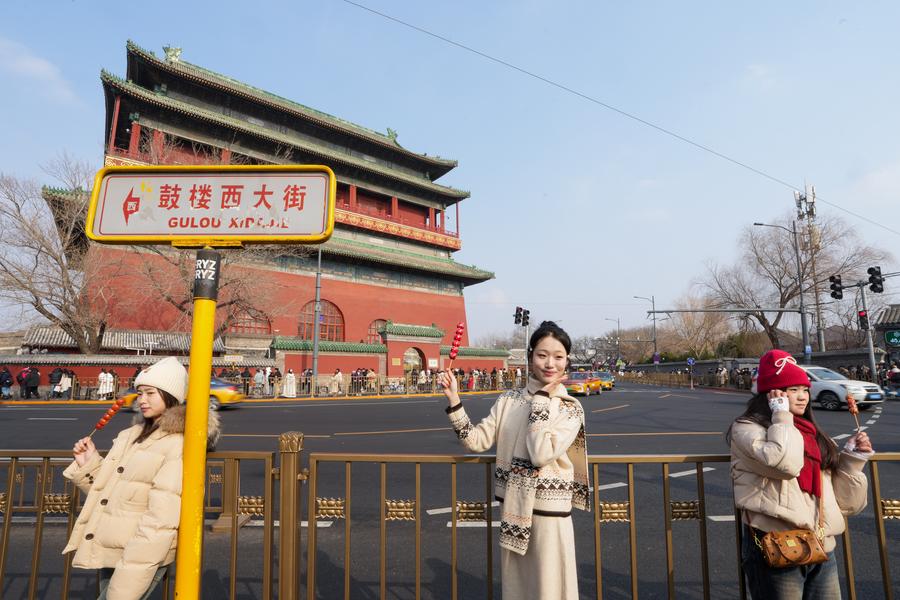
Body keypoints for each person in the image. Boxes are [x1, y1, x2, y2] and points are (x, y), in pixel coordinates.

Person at [437, 321, 589, 599]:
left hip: (550, 516)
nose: (550, 363)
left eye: (558, 356)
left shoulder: (570, 408)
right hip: (514, 511)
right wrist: (454, 399)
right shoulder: (508, 400)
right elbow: (476, 441)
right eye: (542, 355)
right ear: (531, 357)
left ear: (567, 361)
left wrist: (542, 399)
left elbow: (541, 453)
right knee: (518, 589)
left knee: (551, 589)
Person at [62, 356, 221, 599]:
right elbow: (116, 495)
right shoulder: (131, 435)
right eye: (139, 393)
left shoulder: (178, 443)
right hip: (113, 543)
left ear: (171, 396)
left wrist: (134, 564)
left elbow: (160, 519)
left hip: (141, 550)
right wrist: (89, 464)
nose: (142, 400)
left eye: (150, 393)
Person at [728, 349, 873, 599]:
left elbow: (846, 504)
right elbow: (785, 464)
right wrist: (782, 416)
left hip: (820, 543)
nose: (803, 397)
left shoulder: (810, 432)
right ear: (771, 395)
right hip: (776, 544)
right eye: (792, 389)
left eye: (804, 389)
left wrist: (852, 461)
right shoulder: (747, 428)